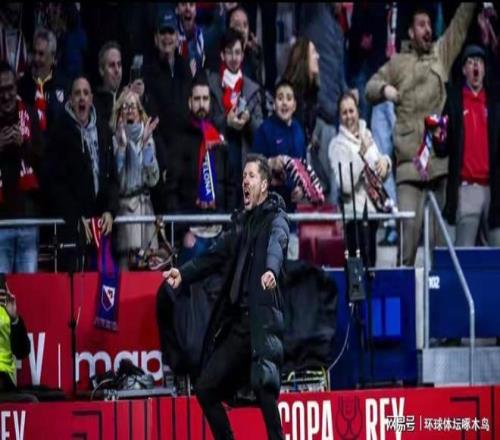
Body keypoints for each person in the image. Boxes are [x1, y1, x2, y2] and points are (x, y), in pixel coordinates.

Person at [163, 154, 289, 440]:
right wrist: (183, 273)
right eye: (243, 176)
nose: (245, 181)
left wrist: (271, 269)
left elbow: (277, 244)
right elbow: (213, 256)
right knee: (206, 389)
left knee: (265, 390)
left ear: (264, 185)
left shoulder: (276, 219)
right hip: (238, 326)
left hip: (262, 323)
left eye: (251, 176)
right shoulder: (241, 224)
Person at [365, 3, 477, 266]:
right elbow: (370, 87)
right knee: (406, 248)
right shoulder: (397, 63)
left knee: (440, 250)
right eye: (421, 25)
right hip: (409, 168)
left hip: (438, 166)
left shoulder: (441, 53)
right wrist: (385, 90)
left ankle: (439, 294)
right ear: (410, 32)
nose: (427, 30)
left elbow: (460, 22)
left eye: (429, 25)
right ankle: (403, 292)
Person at [45, 76, 118, 270]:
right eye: (77, 94)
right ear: (70, 99)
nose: (82, 98)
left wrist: (110, 210)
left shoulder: (103, 129)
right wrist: (75, 217)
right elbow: (55, 184)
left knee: (102, 281)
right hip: (72, 227)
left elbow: (112, 176)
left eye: (86, 93)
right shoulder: (59, 132)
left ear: (91, 98)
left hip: (101, 225)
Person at [441, 44, 500, 246]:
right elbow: (443, 148)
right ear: (464, 69)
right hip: (466, 189)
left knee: (497, 255)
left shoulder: (494, 102)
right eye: (471, 62)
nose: (476, 66)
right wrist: (438, 137)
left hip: (494, 190)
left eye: (480, 62)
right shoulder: (454, 101)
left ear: (484, 69)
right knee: (465, 255)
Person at [329, 92, 391, 267]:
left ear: (358, 111)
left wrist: (385, 163)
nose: (349, 116)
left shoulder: (367, 134)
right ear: (339, 116)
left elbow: (379, 175)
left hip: (372, 215)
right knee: (357, 275)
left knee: (372, 271)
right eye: (344, 112)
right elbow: (345, 185)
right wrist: (361, 153)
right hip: (354, 219)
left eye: (351, 111)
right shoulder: (336, 145)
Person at [207, 28, 263, 200]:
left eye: (237, 53)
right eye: (229, 52)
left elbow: (261, 131)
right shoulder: (211, 84)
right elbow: (205, 122)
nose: (234, 58)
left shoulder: (252, 89)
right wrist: (226, 121)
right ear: (222, 55)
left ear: (243, 55)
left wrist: (248, 120)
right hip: (218, 163)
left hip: (245, 165)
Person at [0, 61, 43, 274]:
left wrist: (24, 145)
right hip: (0, 223)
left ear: (16, 87)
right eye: (1, 90)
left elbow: (44, 162)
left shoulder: (31, 115)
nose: (6, 95)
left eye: (10, 89)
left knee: (29, 290)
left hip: (27, 219)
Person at [110, 89, 160, 268]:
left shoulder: (147, 137)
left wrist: (146, 146)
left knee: (148, 271)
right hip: (125, 212)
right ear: (119, 113)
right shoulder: (114, 140)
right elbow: (118, 183)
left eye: (133, 106)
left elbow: (153, 180)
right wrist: (122, 148)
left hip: (146, 212)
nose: (130, 110)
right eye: (125, 106)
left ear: (140, 111)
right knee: (126, 271)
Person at [252, 80, 306, 211]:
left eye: (289, 98)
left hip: (292, 207)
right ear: (274, 104)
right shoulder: (265, 129)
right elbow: (252, 167)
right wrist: (270, 163)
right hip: (268, 207)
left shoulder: (299, 130)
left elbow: (303, 167)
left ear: (294, 105)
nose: (284, 103)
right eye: (280, 98)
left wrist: (301, 188)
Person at [17, 27, 68, 134]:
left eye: (41, 54)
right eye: (34, 52)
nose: (36, 58)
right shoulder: (21, 85)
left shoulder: (64, 85)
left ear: (53, 57)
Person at [0, 275, 31, 399]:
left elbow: (22, 352)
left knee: (32, 400)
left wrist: (14, 318)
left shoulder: (8, 312)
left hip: (5, 380)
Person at [93, 41, 123, 125]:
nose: (117, 70)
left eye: (119, 64)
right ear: (101, 70)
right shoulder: (93, 104)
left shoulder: (129, 98)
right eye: (112, 65)